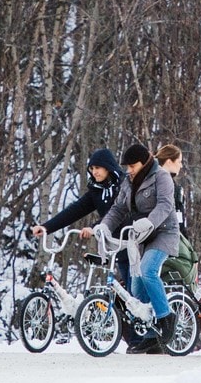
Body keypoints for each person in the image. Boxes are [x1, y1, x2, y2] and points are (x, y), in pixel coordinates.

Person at [30, 148, 143, 350]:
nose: (94, 172)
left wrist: (95, 227)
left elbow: (120, 213)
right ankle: (136, 341)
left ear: (108, 168)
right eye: (91, 168)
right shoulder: (96, 190)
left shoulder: (122, 186)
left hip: (133, 242)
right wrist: (47, 227)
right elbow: (74, 211)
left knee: (135, 292)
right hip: (113, 247)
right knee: (120, 295)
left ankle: (148, 336)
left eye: (98, 168)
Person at [95, 143, 180, 354]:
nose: (129, 170)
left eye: (132, 166)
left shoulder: (161, 177)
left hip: (163, 232)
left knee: (148, 270)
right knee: (137, 286)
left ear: (144, 162)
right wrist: (105, 226)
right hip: (141, 236)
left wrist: (150, 222)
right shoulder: (129, 181)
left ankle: (166, 318)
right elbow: (118, 208)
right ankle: (151, 337)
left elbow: (165, 205)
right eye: (128, 167)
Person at [154, 144, 187, 234]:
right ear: (169, 162)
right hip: (164, 235)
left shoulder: (172, 184)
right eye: (179, 161)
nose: (181, 166)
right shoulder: (157, 182)